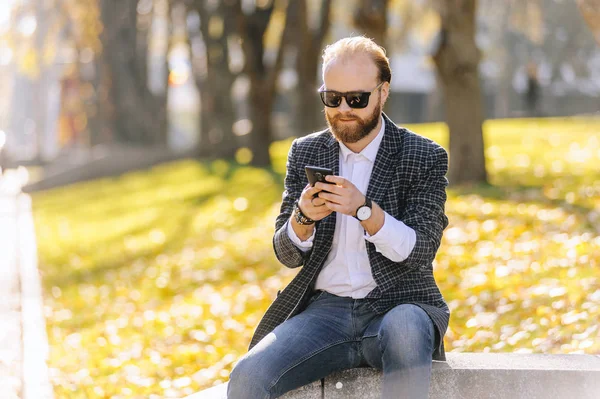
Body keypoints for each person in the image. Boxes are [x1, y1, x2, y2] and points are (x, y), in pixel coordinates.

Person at [228, 36, 450, 399]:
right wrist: (303, 218)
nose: (343, 109)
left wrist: (365, 211)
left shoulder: (423, 155)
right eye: (332, 98)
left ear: (383, 92)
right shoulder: (306, 151)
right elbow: (286, 253)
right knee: (247, 378)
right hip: (325, 312)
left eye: (356, 99)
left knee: (407, 329)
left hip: (398, 306)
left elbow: (421, 250)